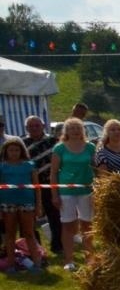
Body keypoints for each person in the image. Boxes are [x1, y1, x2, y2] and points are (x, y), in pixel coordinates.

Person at [51, 118, 96, 271]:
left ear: (82, 130)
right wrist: (54, 194)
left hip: (87, 191)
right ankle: (69, 260)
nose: (75, 131)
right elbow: (53, 173)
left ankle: (89, 258)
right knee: (68, 225)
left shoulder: (90, 147)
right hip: (66, 192)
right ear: (66, 131)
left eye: (78, 128)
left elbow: (96, 169)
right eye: (72, 128)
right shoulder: (59, 148)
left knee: (87, 225)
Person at [0, 136, 44, 273]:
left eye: (17, 150)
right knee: (10, 234)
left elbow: (37, 187)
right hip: (7, 203)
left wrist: (38, 205)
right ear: (5, 151)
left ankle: (37, 264)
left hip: (27, 203)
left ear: (22, 151)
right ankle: (11, 265)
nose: (14, 153)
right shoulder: (1, 167)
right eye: (11, 150)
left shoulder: (30, 166)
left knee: (29, 233)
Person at [22, 116, 61, 259]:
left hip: (51, 184)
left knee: (54, 215)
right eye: (31, 126)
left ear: (43, 126)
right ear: (26, 128)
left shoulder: (54, 141)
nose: (34, 128)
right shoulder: (22, 143)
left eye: (37, 125)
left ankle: (57, 245)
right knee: (30, 219)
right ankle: (35, 248)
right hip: (30, 186)